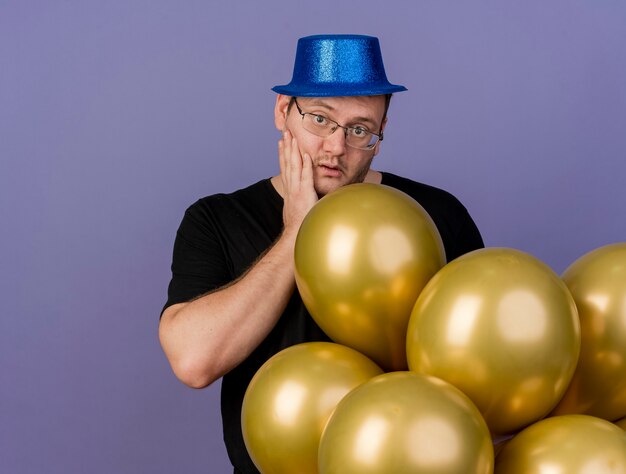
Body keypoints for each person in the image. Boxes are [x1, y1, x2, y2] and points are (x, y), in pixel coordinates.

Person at [159, 34, 484, 473]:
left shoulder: (435, 216)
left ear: (382, 131)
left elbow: (477, 372)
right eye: (319, 119)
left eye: (359, 129)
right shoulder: (217, 219)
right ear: (282, 111)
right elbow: (194, 361)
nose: (336, 147)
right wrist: (298, 232)